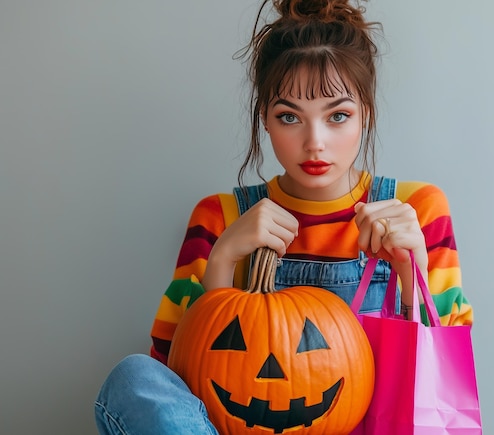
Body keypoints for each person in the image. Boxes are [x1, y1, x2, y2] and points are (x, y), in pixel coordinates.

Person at [95, 0, 473, 433]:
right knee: (134, 378)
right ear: (265, 120)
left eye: (338, 116)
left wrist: (412, 272)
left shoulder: (416, 209)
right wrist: (221, 265)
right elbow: (176, 379)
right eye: (290, 116)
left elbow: (442, 384)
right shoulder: (220, 216)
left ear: (365, 114)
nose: (315, 143)